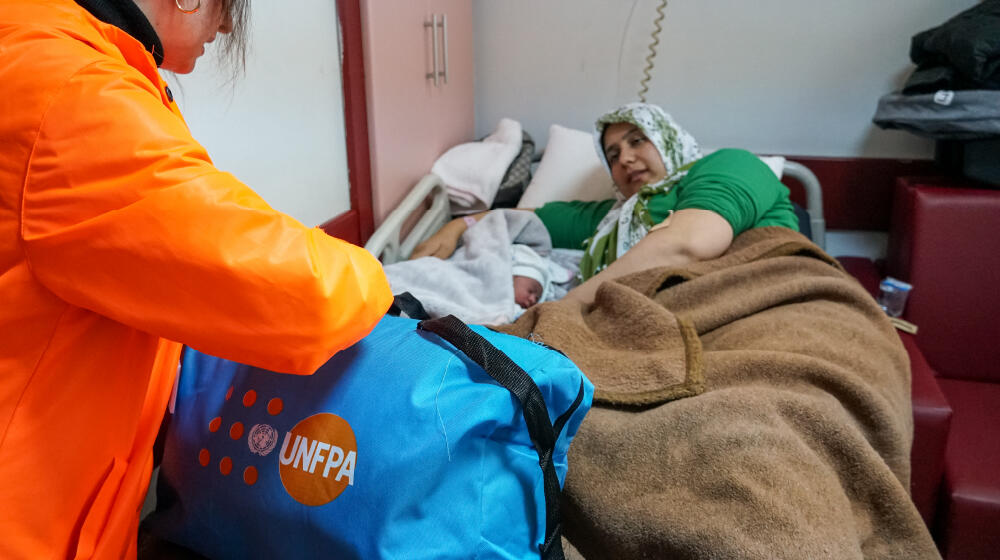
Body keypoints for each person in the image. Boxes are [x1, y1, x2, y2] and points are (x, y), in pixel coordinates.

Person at [0, 1, 393, 557]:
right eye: (229, 5)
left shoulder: (37, 46)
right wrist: (382, 281)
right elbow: (303, 293)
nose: (229, 24)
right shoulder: (70, 92)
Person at [411, 102, 799, 305]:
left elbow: (690, 242)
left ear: (669, 139)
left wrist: (567, 309)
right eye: (612, 155)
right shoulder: (607, 223)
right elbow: (510, 218)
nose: (625, 159)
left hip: (759, 300)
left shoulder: (728, 165)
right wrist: (455, 226)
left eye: (636, 140)